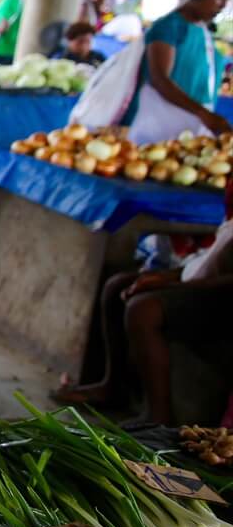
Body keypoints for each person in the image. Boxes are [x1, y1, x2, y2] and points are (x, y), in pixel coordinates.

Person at [54, 178, 233, 423]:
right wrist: (168, 275)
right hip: (206, 274)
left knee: (143, 309)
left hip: (223, 296)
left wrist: (173, 283)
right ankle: (112, 386)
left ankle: (157, 416)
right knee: (117, 284)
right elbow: (216, 254)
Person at [121, 0, 233, 144]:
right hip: (155, 126)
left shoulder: (202, 32)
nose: (222, 5)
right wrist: (204, 114)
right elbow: (159, 79)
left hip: (186, 126)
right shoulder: (169, 27)